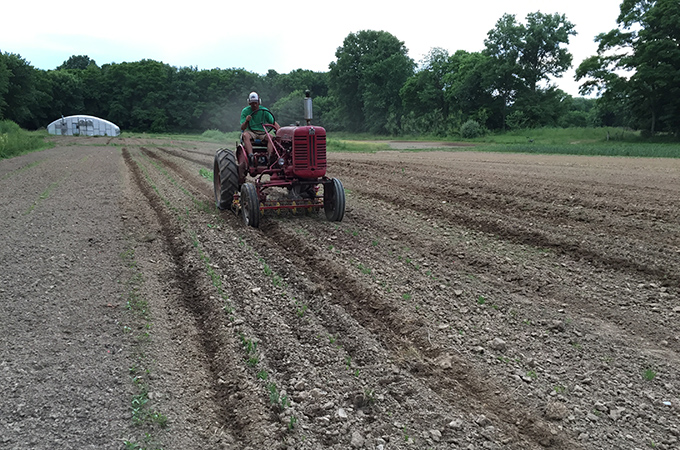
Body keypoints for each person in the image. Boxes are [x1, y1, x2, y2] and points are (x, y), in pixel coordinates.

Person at [240, 92, 280, 166]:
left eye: (256, 103)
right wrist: (246, 121)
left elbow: (273, 123)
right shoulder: (245, 111)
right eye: (252, 103)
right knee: (245, 135)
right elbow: (242, 127)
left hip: (262, 132)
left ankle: (269, 157)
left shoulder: (264, 111)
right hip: (250, 132)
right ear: (249, 103)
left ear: (259, 102)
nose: (254, 105)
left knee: (271, 137)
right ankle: (251, 156)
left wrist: (280, 131)